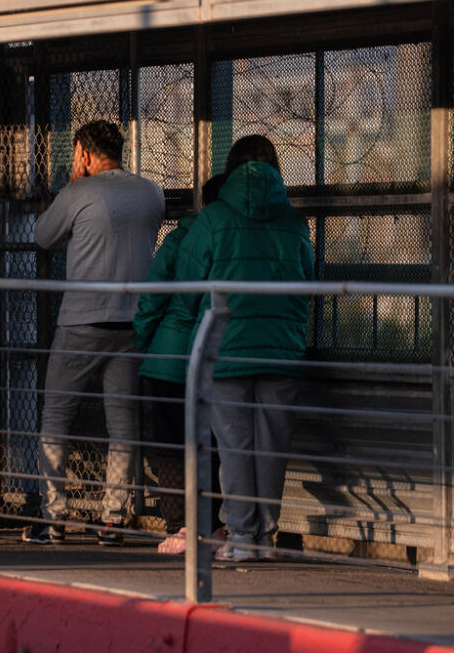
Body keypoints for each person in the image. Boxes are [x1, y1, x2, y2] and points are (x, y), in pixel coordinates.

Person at [171, 135, 314, 562]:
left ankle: (241, 537)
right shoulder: (294, 221)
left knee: (233, 446)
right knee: (271, 445)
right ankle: (266, 539)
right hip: (280, 348)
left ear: (231, 169)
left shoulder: (212, 219)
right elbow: (307, 280)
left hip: (224, 347)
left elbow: (187, 284)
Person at [24, 120, 165, 546]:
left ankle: (54, 516)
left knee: (56, 414)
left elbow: (44, 237)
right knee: (122, 421)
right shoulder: (151, 193)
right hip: (132, 322)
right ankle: (113, 519)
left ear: (84, 153)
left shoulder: (78, 192)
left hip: (82, 320)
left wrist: (69, 187)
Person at [134, 174, 226, 554]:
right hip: (219, 356)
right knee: (216, 444)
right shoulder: (237, 238)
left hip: (168, 356)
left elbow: (154, 298)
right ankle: (215, 525)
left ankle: (181, 526)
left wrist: (143, 343)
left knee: (170, 445)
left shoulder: (179, 238)